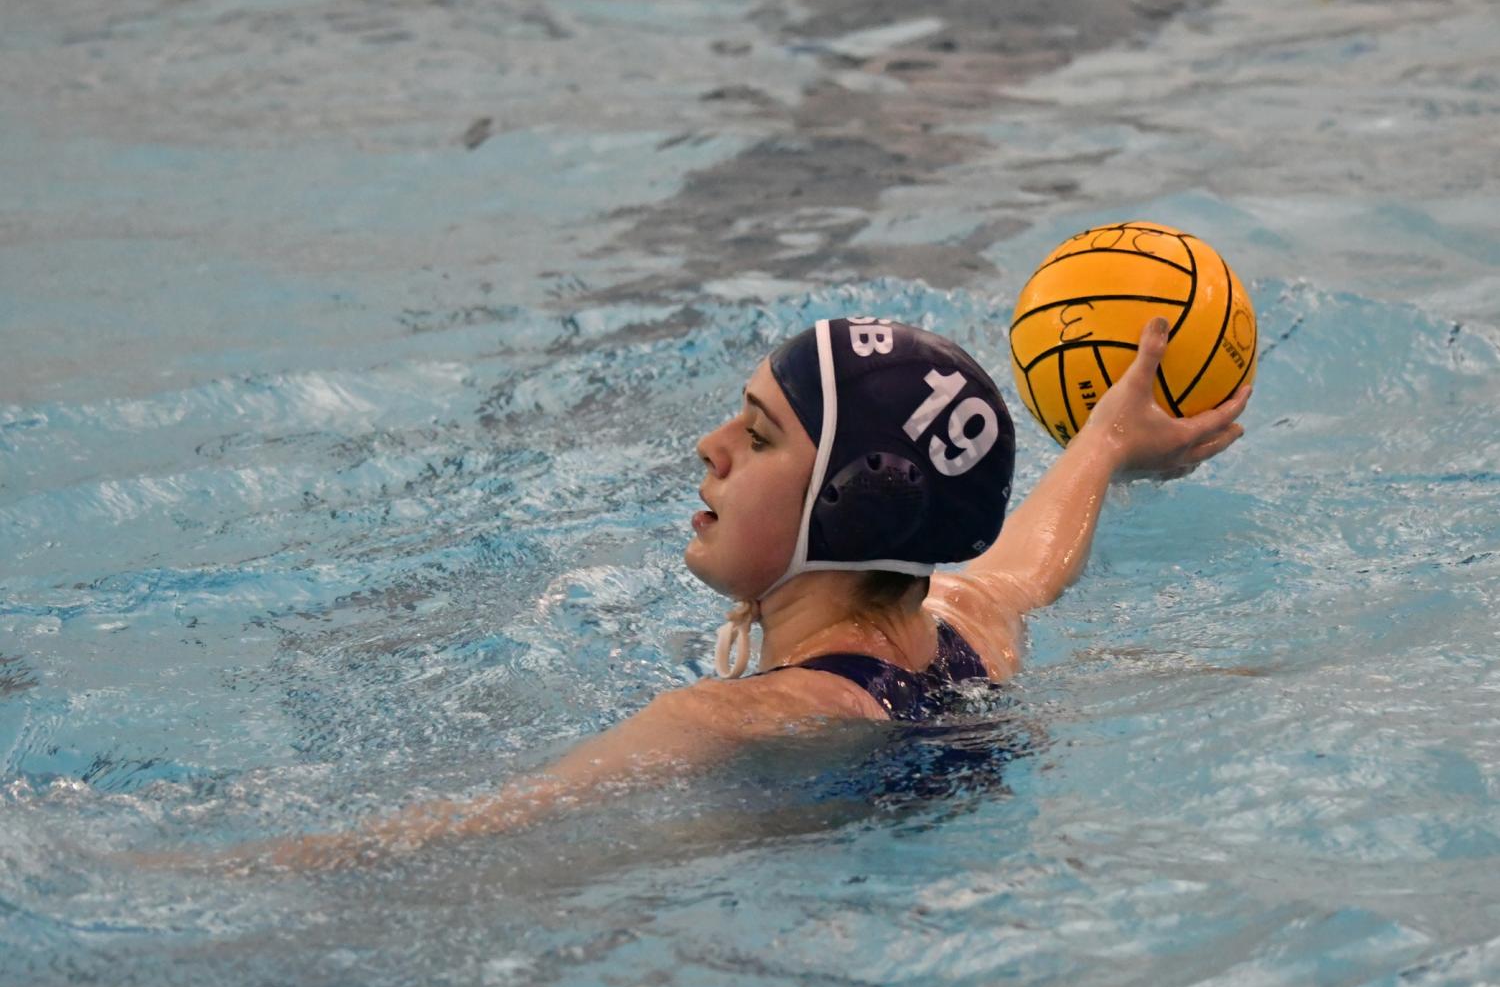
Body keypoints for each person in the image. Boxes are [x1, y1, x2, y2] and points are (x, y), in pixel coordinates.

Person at [246, 314, 1248, 870]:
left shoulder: (735, 720)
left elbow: (483, 830)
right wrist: (1108, 442)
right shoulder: (963, 628)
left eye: (761, 436)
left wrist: (209, 877)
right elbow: (1028, 561)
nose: (709, 449)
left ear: (854, 507)